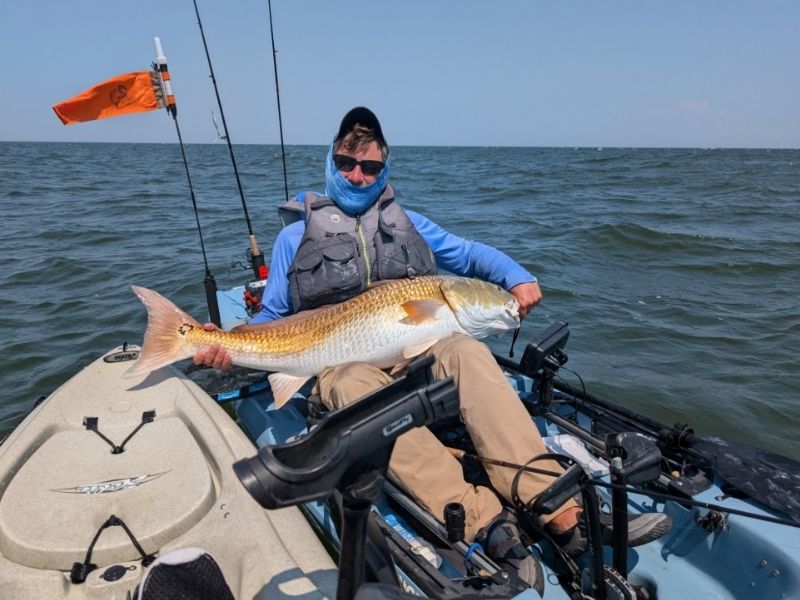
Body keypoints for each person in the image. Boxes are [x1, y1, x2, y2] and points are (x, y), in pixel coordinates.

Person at [195, 107, 670, 594]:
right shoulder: (294, 237)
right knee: (353, 384)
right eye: (346, 164)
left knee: (465, 349)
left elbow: (470, 254)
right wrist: (224, 344)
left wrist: (516, 277)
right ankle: (482, 520)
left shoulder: (409, 224)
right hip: (335, 360)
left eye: (370, 167)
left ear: (385, 170)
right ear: (330, 162)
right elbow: (272, 317)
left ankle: (556, 505)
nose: (357, 176)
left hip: (413, 358)